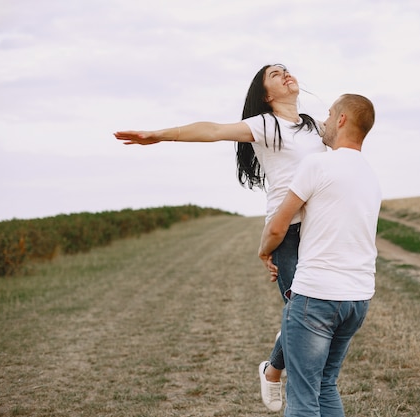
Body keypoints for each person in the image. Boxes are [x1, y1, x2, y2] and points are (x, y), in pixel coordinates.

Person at [114, 64, 326, 411]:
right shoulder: (265, 125)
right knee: (301, 310)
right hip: (285, 230)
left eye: (287, 69)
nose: (286, 74)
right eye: (275, 74)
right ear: (266, 95)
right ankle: (278, 375)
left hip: (319, 227)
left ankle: (272, 369)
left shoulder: (314, 126)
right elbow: (211, 130)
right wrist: (159, 134)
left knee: (307, 309)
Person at [258, 94, 381, 416]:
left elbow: (277, 227)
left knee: (302, 399)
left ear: (341, 120)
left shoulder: (317, 164)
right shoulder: (371, 176)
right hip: (358, 299)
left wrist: (263, 253)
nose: (323, 122)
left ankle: (271, 371)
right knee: (326, 385)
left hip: (317, 296)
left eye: (328, 115)